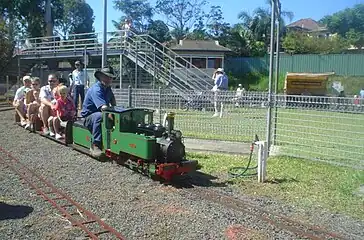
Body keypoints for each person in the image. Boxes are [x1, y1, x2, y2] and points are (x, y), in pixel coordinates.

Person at [80, 66, 117, 157]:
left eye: (110, 77)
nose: (108, 79)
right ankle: (95, 144)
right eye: (106, 76)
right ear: (100, 77)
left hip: (102, 113)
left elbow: (113, 102)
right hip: (89, 116)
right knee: (100, 116)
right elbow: (103, 108)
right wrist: (111, 114)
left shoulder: (108, 88)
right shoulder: (96, 89)